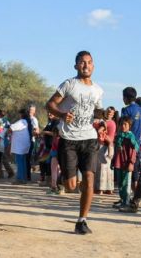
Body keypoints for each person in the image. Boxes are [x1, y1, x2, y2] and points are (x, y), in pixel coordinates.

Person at [46, 50, 104, 235]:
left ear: (93, 66)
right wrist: (62, 114)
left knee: (89, 178)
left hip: (89, 138)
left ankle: (82, 221)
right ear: (76, 66)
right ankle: (73, 183)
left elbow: (97, 112)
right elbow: (50, 104)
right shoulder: (69, 84)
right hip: (68, 139)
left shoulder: (98, 90)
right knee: (71, 186)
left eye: (89, 62)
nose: (86, 65)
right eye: (82, 62)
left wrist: (105, 116)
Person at [121, 87, 141, 192]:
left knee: (125, 172)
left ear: (126, 98)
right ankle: (135, 198)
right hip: (137, 144)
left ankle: (126, 198)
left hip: (127, 144)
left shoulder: (125, 110)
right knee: (135, 173)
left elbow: (123, 127)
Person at [112, 116, 139, 209]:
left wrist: (131, 163)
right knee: (120, 184)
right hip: (119, 163)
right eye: (121, 124)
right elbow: (116, 150)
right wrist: (113, 161)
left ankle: (127, 202)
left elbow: (133, 151)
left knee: (126, 183)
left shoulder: (130, 137)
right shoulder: (119, 136)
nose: (123, 126)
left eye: (125, 124)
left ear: (129, 126)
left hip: (127, 164)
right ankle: (123, 200)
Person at [10, 109, 33, 184]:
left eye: (20, 114)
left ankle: (20, 178)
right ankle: (24, 178)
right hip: (24, 145)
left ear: (22, 114)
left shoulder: (22, 122)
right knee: (23, 162)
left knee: (19, 162)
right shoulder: (27, 122)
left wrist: (6, 126)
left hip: (20, 146)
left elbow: (12, 127)